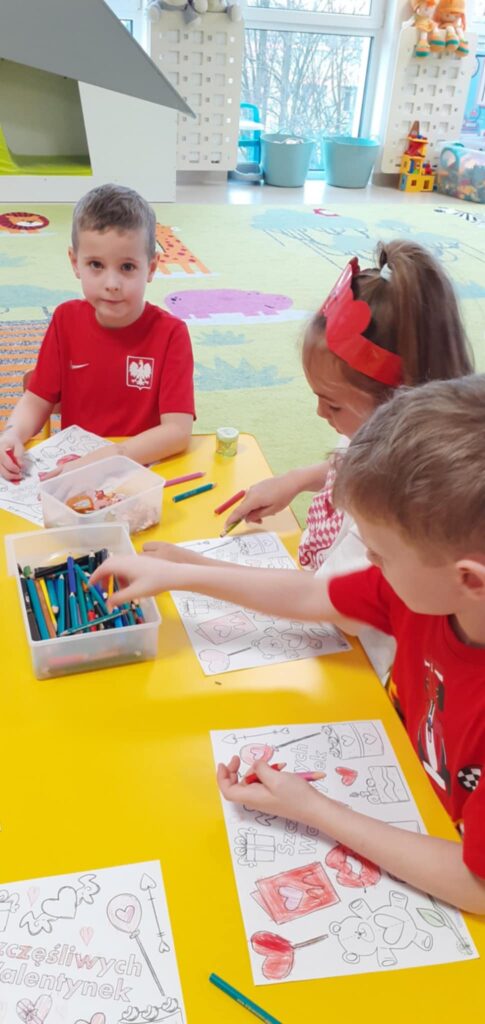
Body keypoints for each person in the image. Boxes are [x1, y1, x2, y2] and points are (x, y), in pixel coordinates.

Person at [91, 376, 485, 912]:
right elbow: (313, 595)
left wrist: (313, 809)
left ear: (469, 579)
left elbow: (475, 884)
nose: (369, 563)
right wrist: (185, 573)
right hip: (411, 795)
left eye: (380, 554)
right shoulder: (426, 595)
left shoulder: (421, 597)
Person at [140, 241, 474, 677]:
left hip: (364, 666)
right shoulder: (406, 445)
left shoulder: (399, 517)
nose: (319, 413)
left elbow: (324, 599)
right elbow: (349, 461)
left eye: (333, 405)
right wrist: (297, 479)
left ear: (398, 402)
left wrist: (191, 567)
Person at [0, 183, 195, 481]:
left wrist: (111, 457)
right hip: (74, 474)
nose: (111, 284)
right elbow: (38, 398)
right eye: (96, 265)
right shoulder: (65, 320)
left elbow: (178, 431)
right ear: (75, 262)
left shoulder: (172, 334)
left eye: (127, 267)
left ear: (152, 267)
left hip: (141, 471)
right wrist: (11, 434)